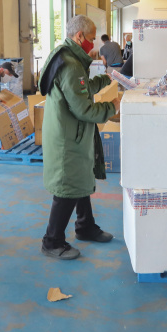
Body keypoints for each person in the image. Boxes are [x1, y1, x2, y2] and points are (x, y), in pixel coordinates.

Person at [39, 15, 119, 260]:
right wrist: (112, 108)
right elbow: (83, 109)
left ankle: (85, 226)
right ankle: (52, 241)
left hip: (70, 131)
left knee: (80, 179)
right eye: (92, 39)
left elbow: (81, 89)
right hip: (67, 136)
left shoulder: (68, 56)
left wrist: (108, 78)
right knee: (67, 187)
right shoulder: (71, 65)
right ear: (79, 36)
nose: (93, 45)